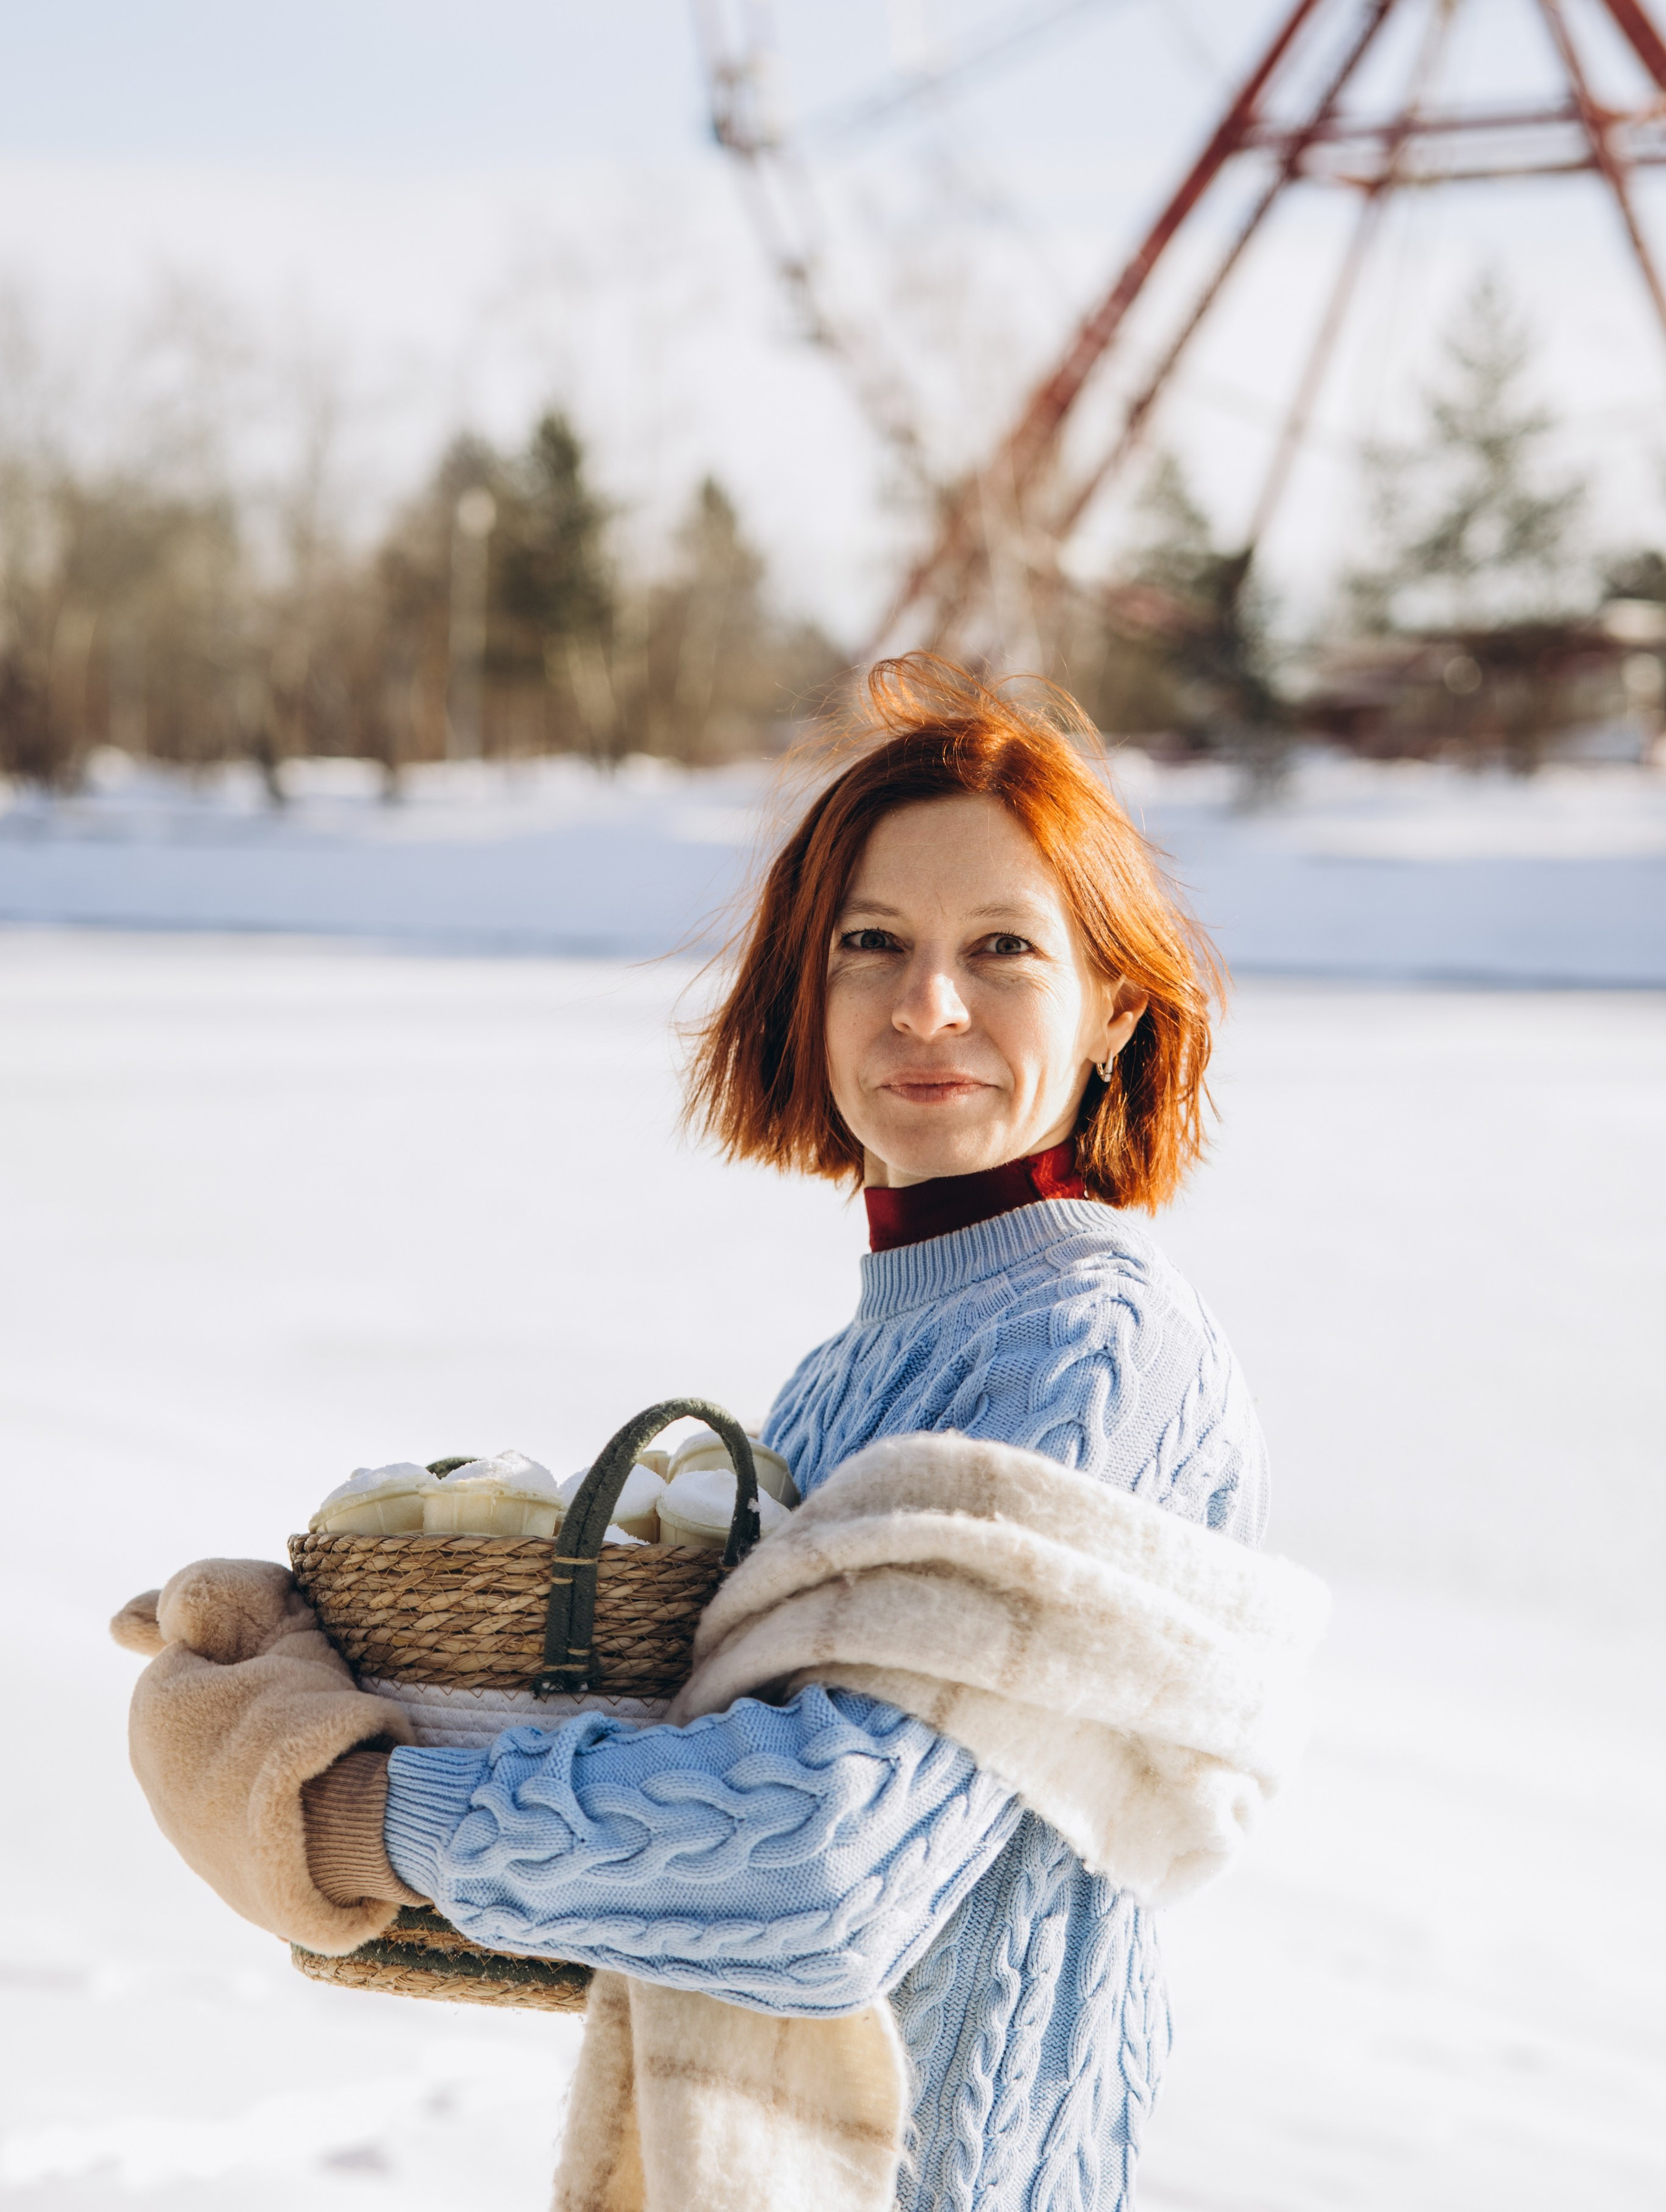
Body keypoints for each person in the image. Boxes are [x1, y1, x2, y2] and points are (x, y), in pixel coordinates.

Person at [275, 659, 1268, 2209]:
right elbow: (702, 1787)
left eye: (1002, 948)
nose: (925, 1006)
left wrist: (355, 1819)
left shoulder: (1093, 1349)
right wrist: (323, 1689)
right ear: (808, 991)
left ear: (1112, 1009)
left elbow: (821, 1865)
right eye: (870, 943)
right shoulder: (850, 1368)